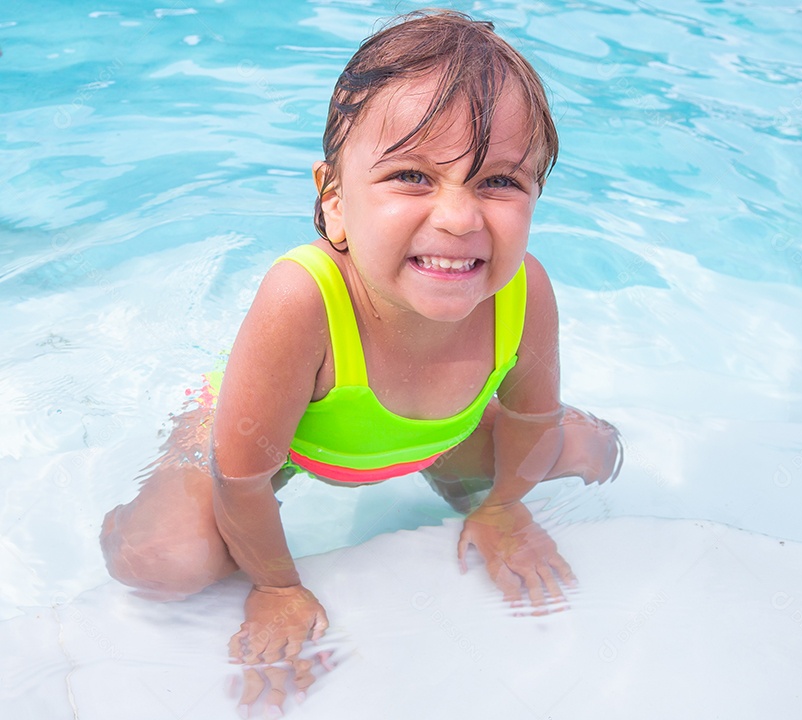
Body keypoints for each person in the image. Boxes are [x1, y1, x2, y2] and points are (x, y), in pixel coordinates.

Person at [99, 9, 621, 713]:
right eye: (412, 176)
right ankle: (155, 482)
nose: (460, 218)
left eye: (499, 182)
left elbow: (530, 411)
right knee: (159, 563)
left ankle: (480, 457)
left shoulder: (526, 289)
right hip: (283, 442)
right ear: (335, 201)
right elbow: (243, 474)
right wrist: (278, 586)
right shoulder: (304, 298)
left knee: (593, 450)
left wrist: (503, 509)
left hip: (443, 430)